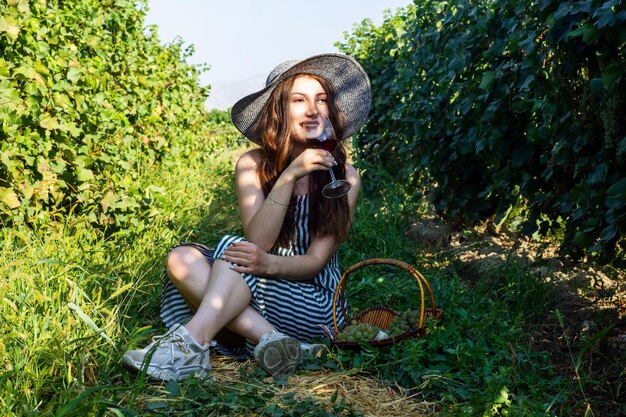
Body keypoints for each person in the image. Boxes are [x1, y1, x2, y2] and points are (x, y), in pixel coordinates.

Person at [121, 53, 371, 381]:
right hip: (258, 290)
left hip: (314, 300)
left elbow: (315, 261)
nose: (312, 110)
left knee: (233, 249)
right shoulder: (252, 165)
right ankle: (278, 342)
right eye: (299, 100)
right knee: (182, 257)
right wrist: (289, 176)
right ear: (279, 111)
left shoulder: (346, 177)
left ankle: (189, 345)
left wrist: (267, 264)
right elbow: (261, 240)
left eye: (321, 100)